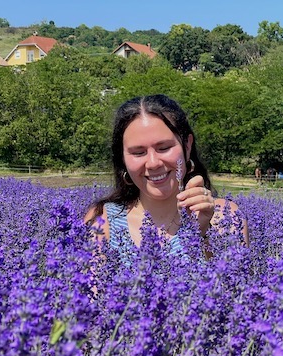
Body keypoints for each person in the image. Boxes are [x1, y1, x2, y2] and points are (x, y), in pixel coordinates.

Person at [84, 94, 248, 261]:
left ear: (187, 145)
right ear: (123, 158)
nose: (153, 163)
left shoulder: (225, 216)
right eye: (138, 152)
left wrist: (202, 232)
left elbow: (233, 283)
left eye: (163, 148)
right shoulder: (102, 219)